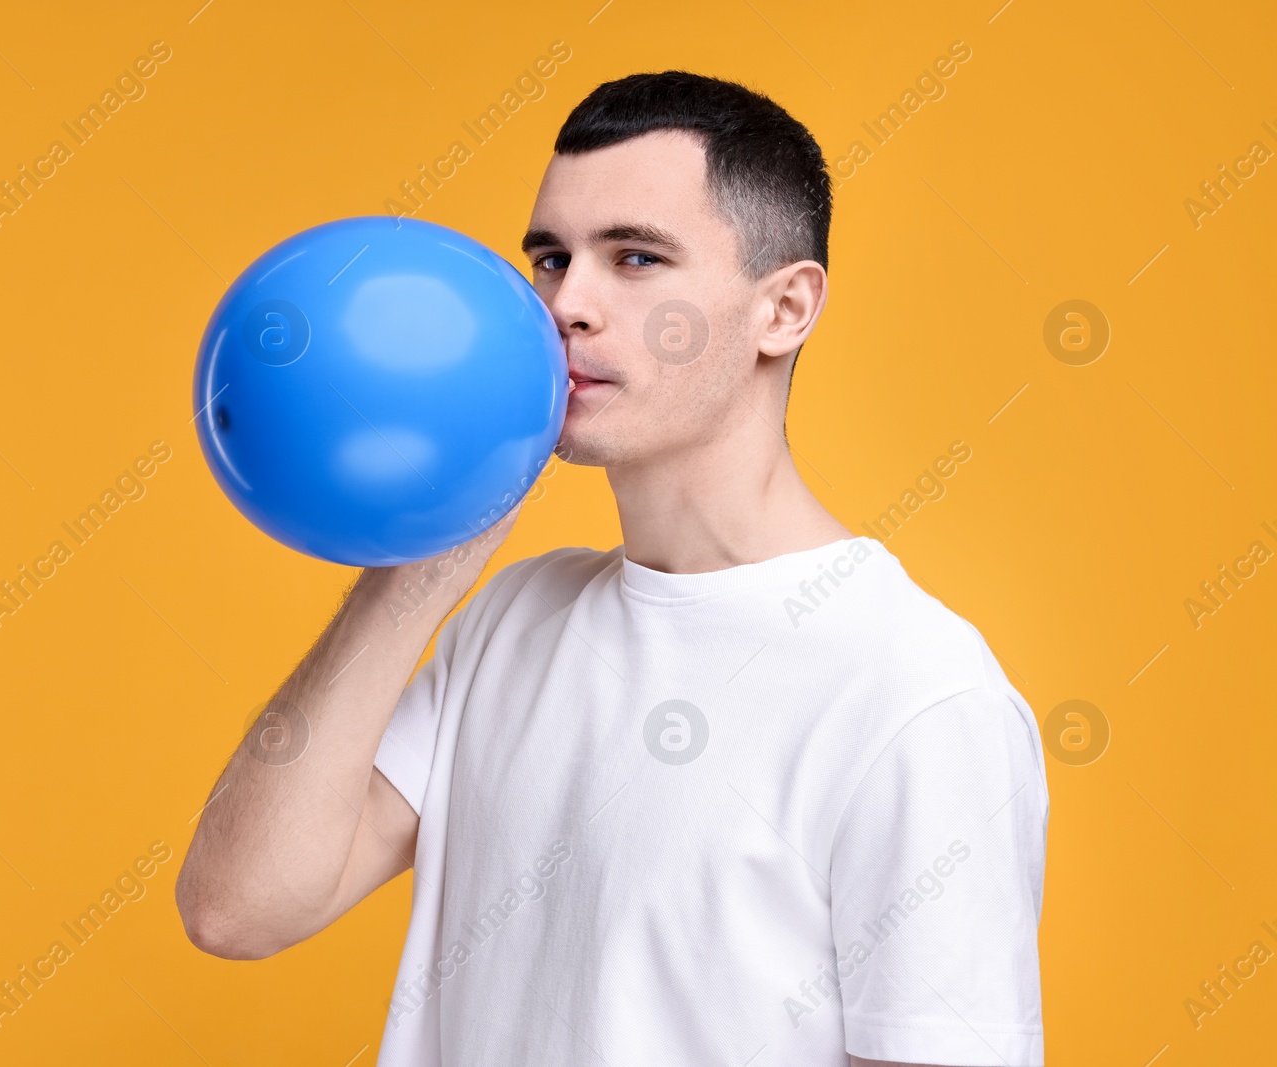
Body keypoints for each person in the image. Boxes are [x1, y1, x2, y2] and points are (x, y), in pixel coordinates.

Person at [175, 70, 1049, 1067]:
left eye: (635, 257)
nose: (563, 305)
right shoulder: (509, 617)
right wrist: (421, 560)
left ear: (784, 309)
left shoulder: (913, 693)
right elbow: (235, 907)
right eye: (549, 258)